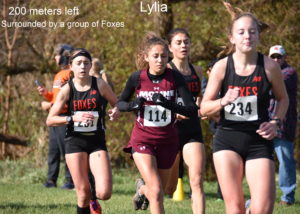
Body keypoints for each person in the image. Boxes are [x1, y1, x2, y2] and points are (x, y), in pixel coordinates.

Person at [200, 12, 289, 214]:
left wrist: (276, 122)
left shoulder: (269, 67)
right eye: (241, 32)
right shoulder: (221, 68)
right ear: (232, 38)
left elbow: (283, 99)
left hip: (258, 140)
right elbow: (204, 108)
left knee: (262, 210)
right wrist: (223, 101)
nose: (247, 36)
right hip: (228, 139)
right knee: (234, 208)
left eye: (252, 31)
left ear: (258, 36)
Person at [117, 32, 198, 214]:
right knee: (156, 191)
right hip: (143, 139)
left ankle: (141, 188)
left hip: (168, 141)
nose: (160, 60)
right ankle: (146, 189)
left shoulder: (175, 78)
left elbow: (192, 110)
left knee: (164, 191)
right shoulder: (137, 78)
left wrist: (167, 103)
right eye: (155, 56)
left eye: (163, 56)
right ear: (146, 57)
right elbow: (120, 103)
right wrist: (132, 105)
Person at [46, 48, 119, 214]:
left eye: (86, 63)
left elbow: (117, 103)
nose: (82, 67)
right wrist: (73, 118)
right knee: (82, 193)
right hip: (74, 142)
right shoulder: (67, 89)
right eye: (78, 63)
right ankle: (88, 200)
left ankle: (94, 198)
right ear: (71, 66)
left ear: (90, 65)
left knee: (105, 193)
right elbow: (50, 119)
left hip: (96, 141)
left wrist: (116, 111)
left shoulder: (99, 84)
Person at [165, 28, 206, 214]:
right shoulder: (165, 70)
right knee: (169, 188)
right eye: (179, 42)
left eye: (187, 42)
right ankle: (143, 188)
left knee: (196, 180)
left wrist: (204, 108)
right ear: (170, 47)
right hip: (170, 130)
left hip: (192, 130)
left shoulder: (197, 70)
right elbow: (154, 101)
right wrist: (173, 114)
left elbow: (199, 97)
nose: (184, 46)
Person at [37, 43, 74, 189]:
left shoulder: (71, 74)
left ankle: (70, 181)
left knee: (67, 151)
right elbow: (56, 97)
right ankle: (51, 180)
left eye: (57, 55)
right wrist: (46, 94)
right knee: (53, 151)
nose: (55, 58)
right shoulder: (59, 75)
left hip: (64, 117)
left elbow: (69, 98)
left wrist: (50, 106)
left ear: (65, 56)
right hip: (54, 117)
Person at [268, 45, 297, 205]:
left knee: (285, 162)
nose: (276, 60)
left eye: (279, 57)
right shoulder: (269, 72)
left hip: (284, 126)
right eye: (273, 57)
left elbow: (272, 87)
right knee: (263, 161)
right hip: (266, 124)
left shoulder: (289, 73)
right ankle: (264, 194)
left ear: (285, 58)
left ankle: (287, 197)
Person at [202, 59, 223, 201]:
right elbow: (204, 108)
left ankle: (223, 194)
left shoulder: (227, 81)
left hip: (229, 125)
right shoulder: (205, 84)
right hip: (216, 129)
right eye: (211, 70)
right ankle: (221, 194)